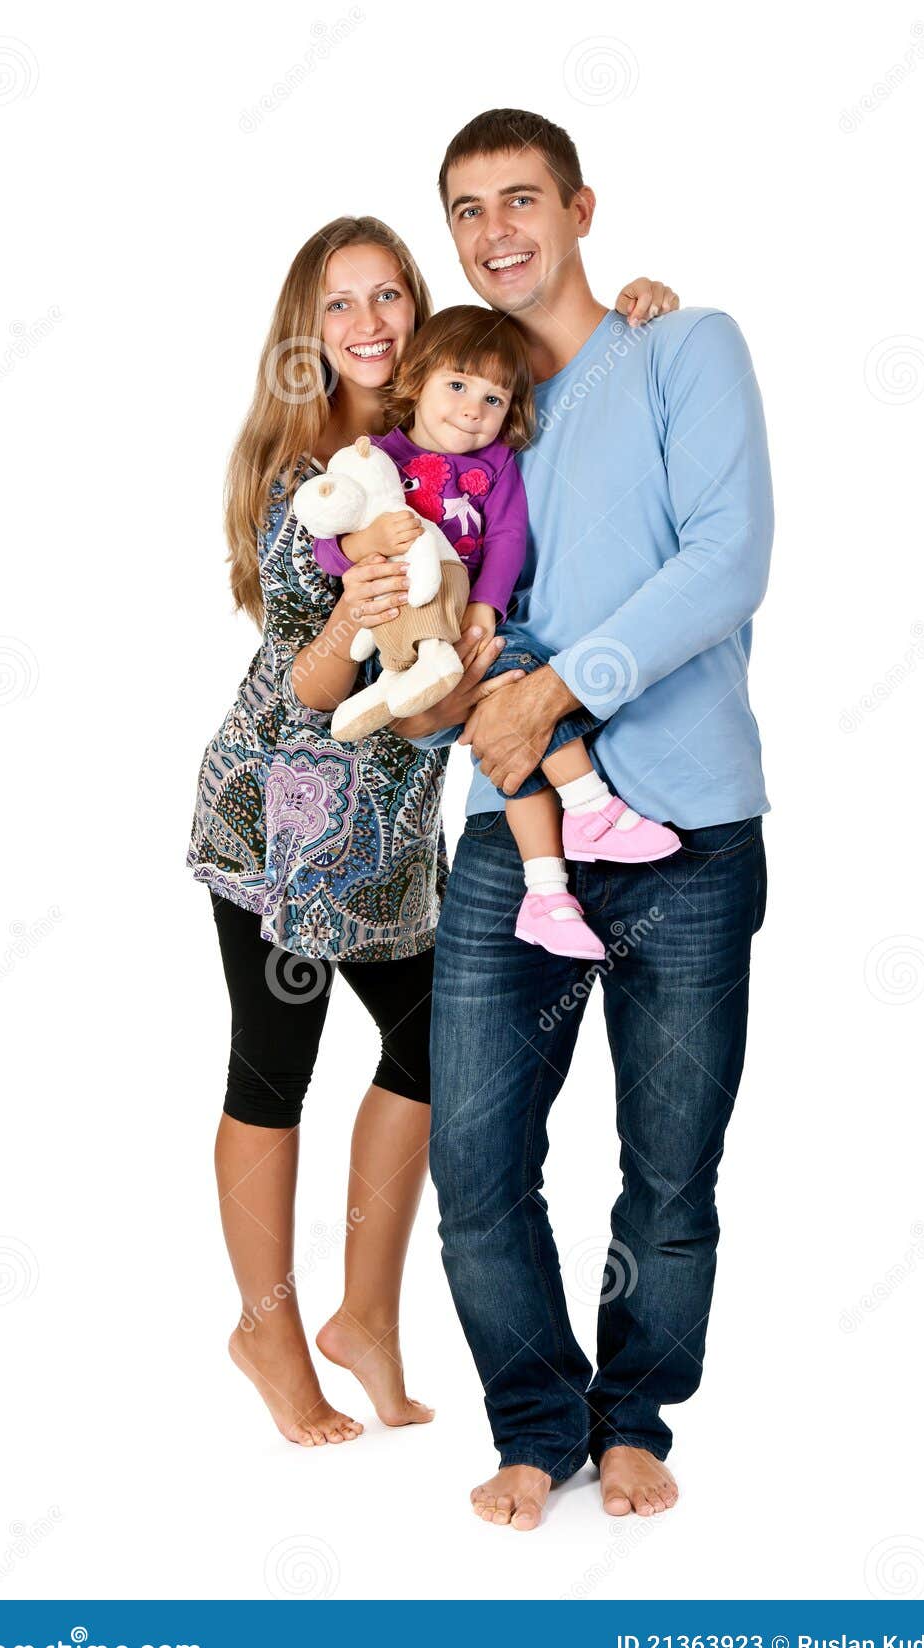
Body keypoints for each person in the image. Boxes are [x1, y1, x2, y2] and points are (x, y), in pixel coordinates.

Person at [187, 211, 679, 1447]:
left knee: (427, 1053)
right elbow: (298, 691)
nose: (369, 324)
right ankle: (266, 1324)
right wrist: (353, 615)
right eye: (340, 305)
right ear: (308, 336)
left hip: (396, 834)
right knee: (273, 1064)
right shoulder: (314, 478)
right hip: (279, 818)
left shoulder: (450, 432)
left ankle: (365, 1314)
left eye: (388, 297)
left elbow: (541, 384)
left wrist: (636, 321)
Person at [402, 109, 773, 1529]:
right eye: (465, 210)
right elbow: (444, 623)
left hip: (682, 826)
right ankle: (534, 1421)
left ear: (578, 206)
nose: (494, 231)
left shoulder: (680, 347)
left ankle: (633, 1418)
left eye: (519, 199)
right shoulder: (466, 409)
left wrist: (556, 681)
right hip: (515, 833)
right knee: (475, 1159)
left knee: (668, 1162)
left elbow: (725, 556)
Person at [314, 304, 680, 965]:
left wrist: (484, 607)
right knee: (517, 682)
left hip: (468, 623)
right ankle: (589, 804)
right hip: (406, 636)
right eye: (456, 385)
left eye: (492, 397)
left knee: (508, 699)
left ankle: (545, 892)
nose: (471, 409)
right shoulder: (380, 460)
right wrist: (366, 541)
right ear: (418, 377)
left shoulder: (495, 464)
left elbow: (508, 537)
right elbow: (328, 547)